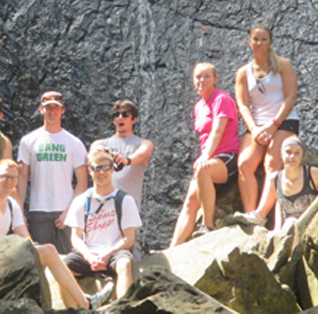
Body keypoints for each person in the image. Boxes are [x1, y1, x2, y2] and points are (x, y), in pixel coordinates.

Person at [0, 159, 113, 310]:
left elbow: (26, 240)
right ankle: (86, 303)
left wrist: (39, 254)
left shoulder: (11, 205)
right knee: (48, 251)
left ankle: (83, 303)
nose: (9, 182)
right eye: (5, 177)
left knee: (48, 251)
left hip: (3, 258)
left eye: (13, 178)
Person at [233, 24, 299, 226]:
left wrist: (274, 125)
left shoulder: (283, 65)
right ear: (249, 42)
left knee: (271, 163)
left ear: (270, 42)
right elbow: (243, 104)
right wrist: (254, 129)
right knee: (244, 164)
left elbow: (290, 98)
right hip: (257, 124)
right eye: (255, 39)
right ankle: (249, 214)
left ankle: (261, 215)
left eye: (263, 39)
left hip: (283, 121)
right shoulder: (243, 73)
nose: (259, 43)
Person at [170, 63, 241, 247]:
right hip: (209, 159)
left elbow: (217, 131)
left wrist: (205, 156)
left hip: (228, 156)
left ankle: (207, 226)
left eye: (206, 76)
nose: (202, 80)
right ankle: (172, 249)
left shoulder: (221, 99)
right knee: (190, 201)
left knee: (203, 169)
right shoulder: (199, 106)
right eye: (198, 77)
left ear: (215, 79)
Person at [63, 151, 141, 302]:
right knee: (62, 268)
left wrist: (106, 255)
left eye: (105, 167)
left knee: (125, 265)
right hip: (89, 252)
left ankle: (122, 310)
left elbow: (129, 239)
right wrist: (89, 256)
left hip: (114, 252)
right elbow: (75, 237)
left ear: (112, 169)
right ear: (89, 171)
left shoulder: (125, 200)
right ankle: (77, 309)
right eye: (96, 168)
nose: (101, 172)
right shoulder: (80, 201)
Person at [17, 91, 88, 254]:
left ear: (63, 110)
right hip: (38, 210)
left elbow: (82, 182)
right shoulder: (28, 141)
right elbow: (21, 178)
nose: (52, 112)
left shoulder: (74, 143)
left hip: (65, 210)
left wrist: (69, 212)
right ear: (41, 110)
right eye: (48, 108)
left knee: (69, 262)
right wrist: (19, 211)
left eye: (56, 107)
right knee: (41, 261)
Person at [89, 99, 154, 256]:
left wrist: (126, 160)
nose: (120, 118)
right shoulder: (101, 143)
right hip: (102, 214)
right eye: (116, 115)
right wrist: (100, 154)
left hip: (129, 214)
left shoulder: (143, 143)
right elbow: (91, 156)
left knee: (131, 259)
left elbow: (142, 154)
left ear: (134, 119)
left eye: (125, 114)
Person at [243, 137, 318, 246]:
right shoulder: (274, 178)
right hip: (289, 230)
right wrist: (277, 228)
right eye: (288, 152)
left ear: (302, 156)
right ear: (281, 154)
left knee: (291, 222)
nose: (292, 157)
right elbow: (279, 203)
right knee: (289, 223)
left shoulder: (313, 174)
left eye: (297, 153)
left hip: (314, 226)